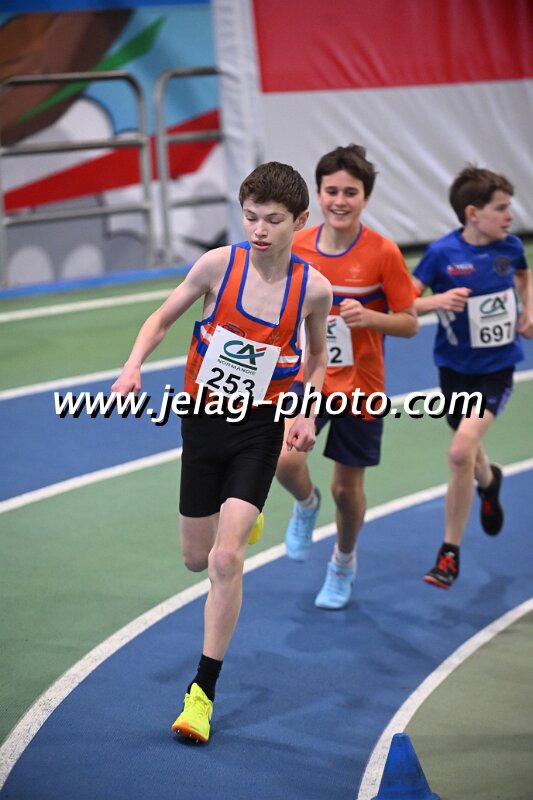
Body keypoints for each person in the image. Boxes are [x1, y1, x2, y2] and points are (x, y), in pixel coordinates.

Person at [111, 162, 332, 741]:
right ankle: (244, 514)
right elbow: (161, 318)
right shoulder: (217, 266)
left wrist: (306, 410)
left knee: (224, 561)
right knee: (195, 558)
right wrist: (133, 366)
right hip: (204, 423)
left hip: (260, 427)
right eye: (251, 217)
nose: (259, 229)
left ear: (300, 221)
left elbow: (317, 358)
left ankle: (201, 694)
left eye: (273, 220)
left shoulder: (313, 289)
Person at [276, 145, 418, 609]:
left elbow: (410, 322)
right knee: (285, 461)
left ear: (365, 198)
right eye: (332, 191)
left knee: (346, 489)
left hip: (361, 386)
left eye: (350, 192)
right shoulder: (296, 246)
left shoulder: (383, 252)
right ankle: (305, 504)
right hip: (308, 378)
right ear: (318, 194)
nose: (340, 200)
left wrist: (370, 319)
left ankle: (343, 560)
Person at [413, 165, 533, 589]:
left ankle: (448, 554)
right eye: (500, 208)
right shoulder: (441, 254)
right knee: (471, 454)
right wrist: (439, 301)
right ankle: (490, 481)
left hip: (496, 371)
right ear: (472, 213)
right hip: (453, 371)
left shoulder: (511, 247)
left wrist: (529, 308)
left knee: (461, 450)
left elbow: (523, 274)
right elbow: (404, 303)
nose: (509, 216)